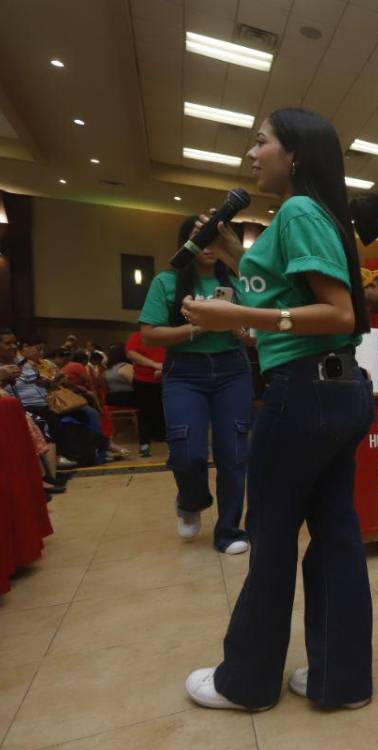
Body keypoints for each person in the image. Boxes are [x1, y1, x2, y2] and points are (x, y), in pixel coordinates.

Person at [179, 107, 374, 712]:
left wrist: (234, 314)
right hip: (333, 390)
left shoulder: (297, 211)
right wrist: (237, 265)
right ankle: (339, 680)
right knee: (336, 531)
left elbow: (338, 314)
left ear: (295, 154)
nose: (252, 154)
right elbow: (293, 309)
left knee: (271, 534)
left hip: (304, 394)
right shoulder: (313, 215)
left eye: (260, 142)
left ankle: (247, 681)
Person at [138, 217, 254, 556]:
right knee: (186, 449)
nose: (207, 245)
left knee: (233, 452)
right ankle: (191, 500)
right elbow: (150, 333)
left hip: (232, 370)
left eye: (213, 239)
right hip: (184, 372)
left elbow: (253, 337)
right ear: (184, 244)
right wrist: (197, 329)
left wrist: (237, 329)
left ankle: (230, 529)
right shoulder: (167, 282)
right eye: (198, 238)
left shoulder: (235, 282)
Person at [125, 328, 166, 457]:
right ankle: (144, 444)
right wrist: (154, 364)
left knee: (165, 411)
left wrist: (163, 368)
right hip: (143, 380)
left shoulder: (167, 334)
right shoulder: (137, 336)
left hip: (165, 379)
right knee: (144, 413)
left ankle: (167, 440)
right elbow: (131, 354)